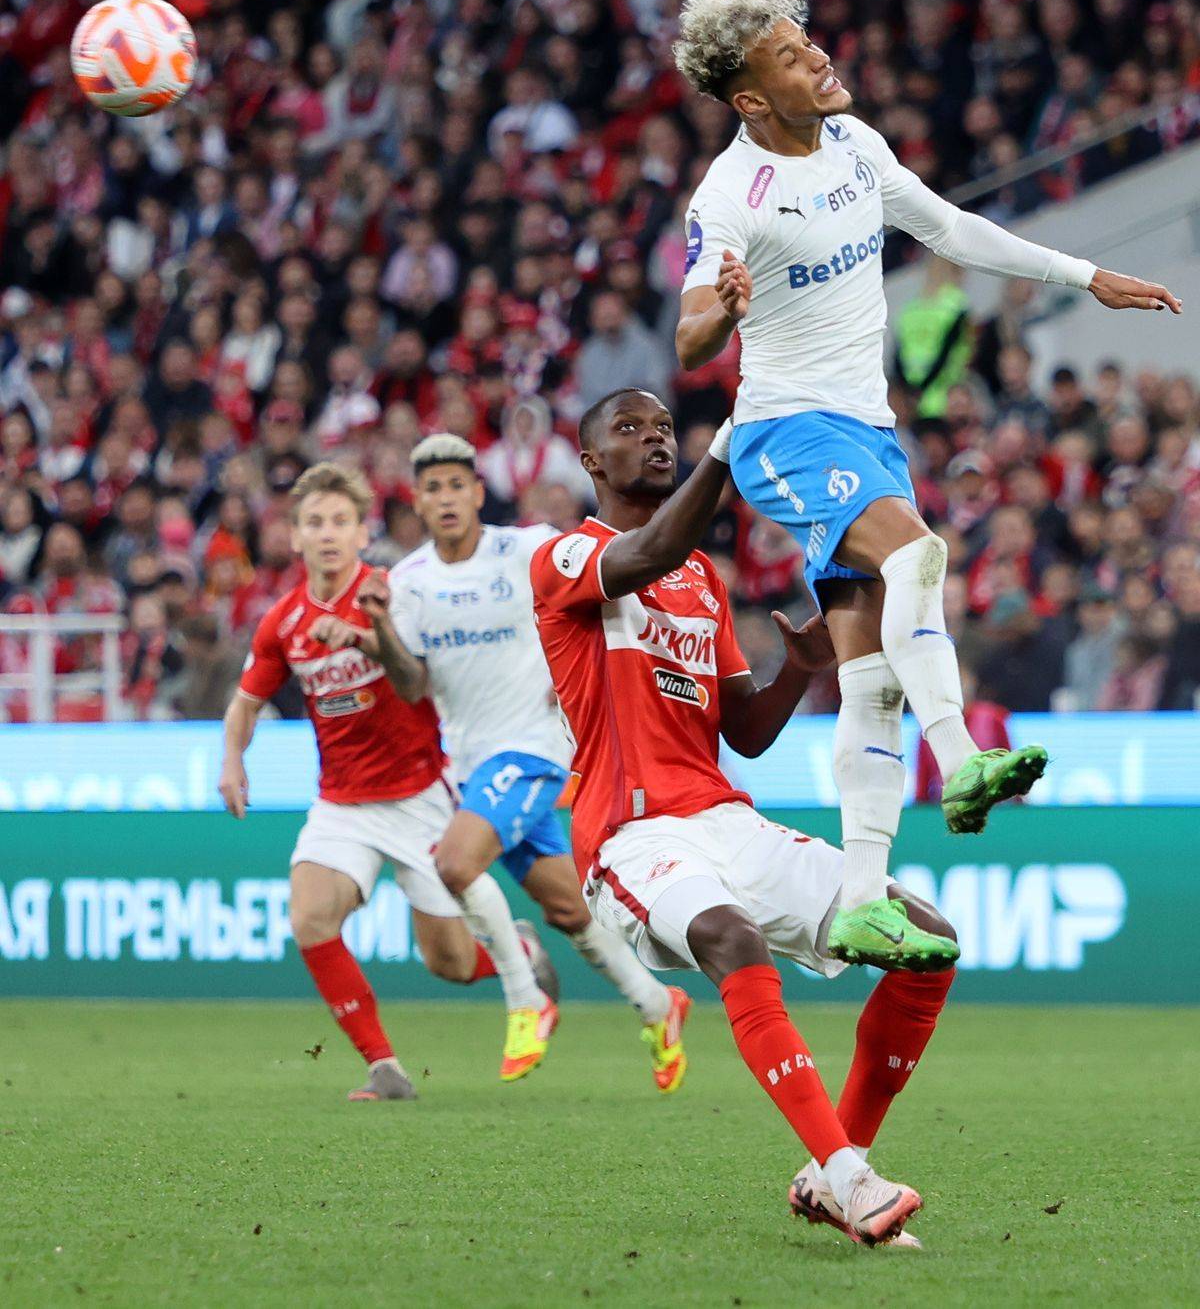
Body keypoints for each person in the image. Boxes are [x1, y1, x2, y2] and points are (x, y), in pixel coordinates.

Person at [671, 0, 1181, 968]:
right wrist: (721, 309)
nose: (819, 57)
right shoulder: (731, 194)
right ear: (751, 98)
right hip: (787, 431)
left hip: (867, 430)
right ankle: (962, 759)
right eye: (791, 56)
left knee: (869, 679)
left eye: (808, 40)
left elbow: (949, 228)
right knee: (919, 555)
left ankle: (862, 901)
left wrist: (1086, 275)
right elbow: (691, 332)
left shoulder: (855, 145)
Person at [530, 388, 958, 1247]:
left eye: (663, 428)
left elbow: (746, 733)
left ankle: (833, 1169)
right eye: (629, 429)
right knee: (733, 937)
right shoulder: (566, 556)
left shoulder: (701, 579)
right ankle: (852, 1181)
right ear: (590, 462)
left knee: (929, 944)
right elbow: (653, 546)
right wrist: (729, 446)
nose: (655, 439)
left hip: (726, 820)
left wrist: (798, 670)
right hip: (630, 833)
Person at [328, 432, 689, 1092]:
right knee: (569, 909)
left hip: (534, 748)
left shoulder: (527, 549)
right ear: (417, 501)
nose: (444, 499)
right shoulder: (408, 582)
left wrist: (585, 666)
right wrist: (378, 627)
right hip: (471, 766)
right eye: (431, 489)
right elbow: (411, 685)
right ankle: (658, 1004)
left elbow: (604, 582)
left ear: (476, 493)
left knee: (454, 864)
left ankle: (527, 1000)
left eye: (455, 486)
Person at [218, 462, 558, 1100]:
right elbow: (244, 703)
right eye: (314, 522)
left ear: (361, 533)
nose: (327, 534)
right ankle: (384, 1068)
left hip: (421, 796)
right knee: (310, 918)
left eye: (339, 522)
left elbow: (432, 671)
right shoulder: (283, 622)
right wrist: (232, 761)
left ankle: (517, 953)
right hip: (342, 803)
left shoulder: (397, 594)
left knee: (449, 963)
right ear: (295, 536)